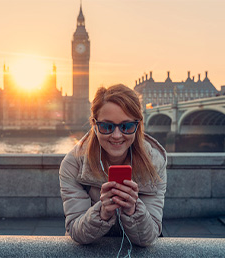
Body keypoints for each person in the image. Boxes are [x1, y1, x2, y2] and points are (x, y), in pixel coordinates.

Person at [59, 84, 167, 247]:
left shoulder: (154, 164)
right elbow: (76, 230)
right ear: (94, 125)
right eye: (106, 126)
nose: (116, 135)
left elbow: (150, 236)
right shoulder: (73, 164)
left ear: (138, 126)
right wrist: (102, 213)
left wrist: (133, 210)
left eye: (127, 126)